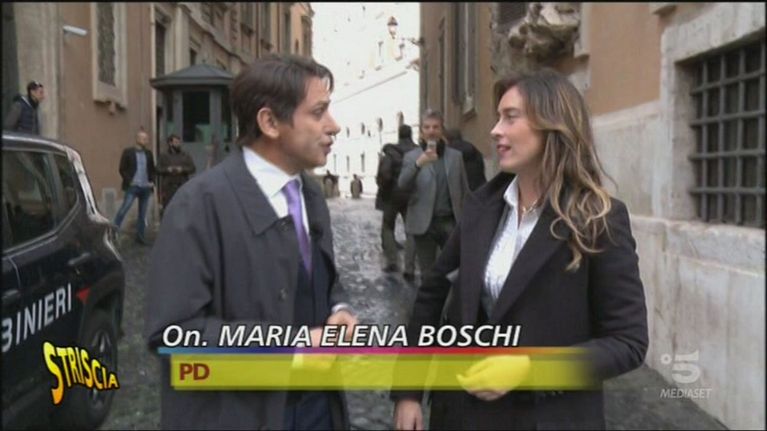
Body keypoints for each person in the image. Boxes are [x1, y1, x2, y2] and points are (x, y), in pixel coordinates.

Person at [392, 69, 648, 430]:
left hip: (546, 418)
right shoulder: (481, 207)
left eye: (510, 118)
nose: (495, 130)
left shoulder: (598, 218)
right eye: (498, 117)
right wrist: (408, 392)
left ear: (551, 125)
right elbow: (431, 297)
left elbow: (627, 342)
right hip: (460, 415)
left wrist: (530, 369)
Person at [145, 54, 358, 430]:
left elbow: (322, 279)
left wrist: (337, 307)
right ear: (270, 122)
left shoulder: (310, 194)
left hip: (318, 411)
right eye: (318, 112)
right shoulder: (199, 205)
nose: (334, 125)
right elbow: (172, 335)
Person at [397, 110, 468, 275]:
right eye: (427, 127)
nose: (431, 131)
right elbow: (402, 184)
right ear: (421, 131)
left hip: (449, 222)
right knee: (427, 272)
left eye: (436, 127)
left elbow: (464, 189)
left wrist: (466, 219)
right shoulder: (411, 157)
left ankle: (449, 293)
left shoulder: (455, 157)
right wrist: (418, 164)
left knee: (453, 270)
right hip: (424, 224)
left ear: (442, 130)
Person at [375, 124, 418, 279]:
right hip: (411, 195)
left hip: (391, 196)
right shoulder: (417, 152)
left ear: (399, 135)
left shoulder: (390, 153)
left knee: (387, 227)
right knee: (411, 229)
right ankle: (409, 267)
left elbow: (385, 175)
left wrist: (383, 186)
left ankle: (393, 261)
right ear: (411, 134)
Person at [114, 129, 156, 245]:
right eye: (144, 138)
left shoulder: (148, 153)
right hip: (133, 186)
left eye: (147, 139)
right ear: (137, 139)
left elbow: (152, 169)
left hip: (145, 187)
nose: (146, 141)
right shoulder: (128, 152)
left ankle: (140, 237)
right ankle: (113, 232)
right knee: (123, 210)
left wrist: (152, 181)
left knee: (142, 214)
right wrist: (129, 181)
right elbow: (122, 169)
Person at [156, 134, 196, 218]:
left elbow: (192, 168)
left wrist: (182, 169)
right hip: (168, 187)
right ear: (170, 143)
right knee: (168, 208)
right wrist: (167, 169)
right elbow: (157, 169)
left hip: (182, 185)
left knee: (183, 207)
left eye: (179, 142)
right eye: (176, 142)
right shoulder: (164, 156)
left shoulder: (185, 155)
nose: (178, 144)